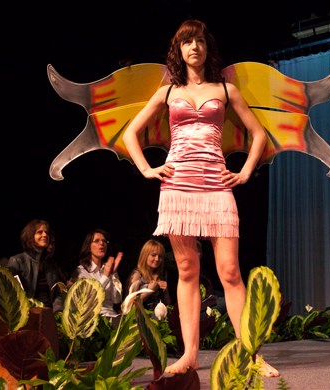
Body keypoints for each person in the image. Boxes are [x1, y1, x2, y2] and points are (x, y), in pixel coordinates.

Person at [121, 19, 277, 376]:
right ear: (178, 49)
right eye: (187, 41)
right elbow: (131, 133)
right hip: (177, 184)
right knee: (188, 270)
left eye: (200, 41)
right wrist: (147, 168)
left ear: (208, 47)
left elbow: (258, 134)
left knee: (230, 271)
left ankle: (251, 355)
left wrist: (245, 171)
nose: (195, 47)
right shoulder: (167, 93)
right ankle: (190, 355)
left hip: (216, 183)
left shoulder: (225, 90)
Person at [7, 219, 65, 312]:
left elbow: (57, 294)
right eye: (40, 232)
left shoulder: (51, 263)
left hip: (50, 314)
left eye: (46, 232)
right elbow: (14, 295)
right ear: (30, 236)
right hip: (29, 314)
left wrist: (58, 313)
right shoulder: (17, 260)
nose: (45, 235)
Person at [72, 229, 123, 325]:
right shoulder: (82, 271)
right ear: (88, 246)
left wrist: (113, 274)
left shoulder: (108, 267)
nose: (102, 244)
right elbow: (89, 298)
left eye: (104, 241)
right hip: (94, 318)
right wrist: (106, 275)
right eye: (97, 241)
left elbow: (117, 299)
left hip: (112, 315)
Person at [125, 239, 171, 314]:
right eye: (153, 255)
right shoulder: (137, 275)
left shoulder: (161, 275)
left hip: (158, 319)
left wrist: (166, 292)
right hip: (141, 320)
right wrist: (149, 290)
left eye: (160, 256)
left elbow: (168, 305)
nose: (157, 259)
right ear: (145, 255)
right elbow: (130, 305)